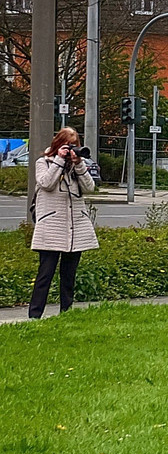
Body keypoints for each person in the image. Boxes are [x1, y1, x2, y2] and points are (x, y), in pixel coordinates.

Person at [27, 127, 97, 319]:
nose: (73, 149)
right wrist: (59, 160)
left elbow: (90, 188)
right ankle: (34, 315)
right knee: (45, 275)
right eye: (69, 145)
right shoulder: (44, 162)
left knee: (68, 277)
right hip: (51, 228)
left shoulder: (76, 166)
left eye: (76, 146)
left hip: (75, 229)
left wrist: (79, 164)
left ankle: (66, 313)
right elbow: (46, 183)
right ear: (59, 144)